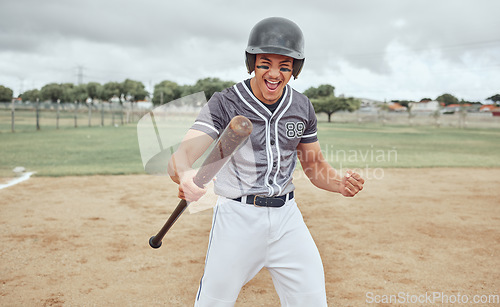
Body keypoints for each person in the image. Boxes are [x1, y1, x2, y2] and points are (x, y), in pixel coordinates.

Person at [168, 17, 364, 307]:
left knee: (312, 301)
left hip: (287, 220)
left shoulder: (301, 106)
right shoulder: (225, 103)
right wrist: (184, 176)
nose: (274, 73)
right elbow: (181, 155)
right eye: (265, 63)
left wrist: (340, 184)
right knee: (213, 303)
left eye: (284, 66)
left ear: (294, 69)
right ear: (252, 63)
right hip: (237, 218)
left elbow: (315, 166)